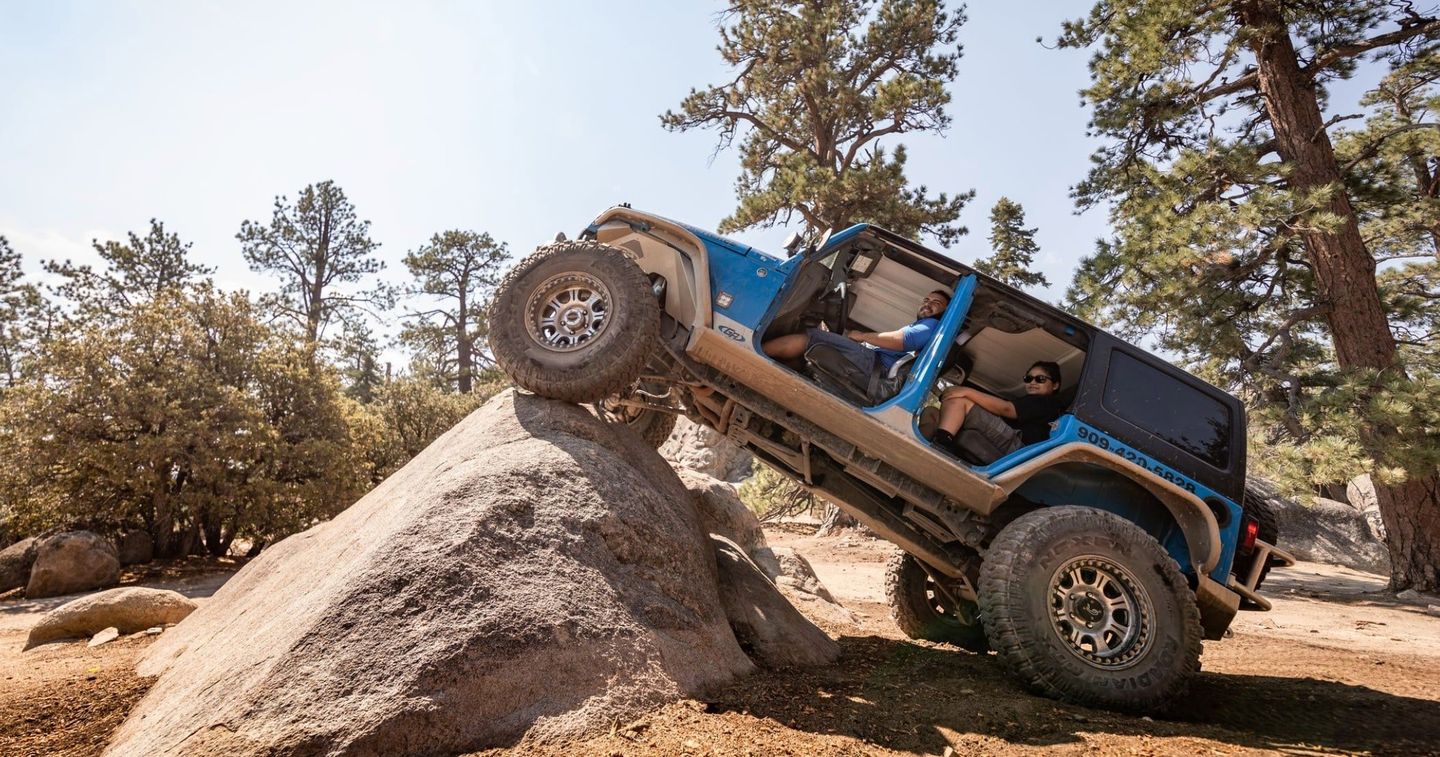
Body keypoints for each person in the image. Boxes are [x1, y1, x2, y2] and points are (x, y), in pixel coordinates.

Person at [762, 290, 951, 387]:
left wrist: (861, 336)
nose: (928, 304)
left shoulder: (932, 325)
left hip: (874, 365)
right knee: (814, 348)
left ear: (944, 311)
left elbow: (900, 341)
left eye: (936, 303)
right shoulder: (923, 325)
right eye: (926, 300)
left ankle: (757, 357)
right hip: (874, 363)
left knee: (811, 338)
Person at [932, 361, 1065, 461]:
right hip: (1013, 444)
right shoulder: (1031, 401)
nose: (1033, 382)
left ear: (1055, 385)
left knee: (959, 401)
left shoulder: (1046, 402)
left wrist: (967, 391)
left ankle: (940, 445)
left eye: (1040, 379)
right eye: (1028, 378)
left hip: (1019, 449)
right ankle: (931, 442)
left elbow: (1006, 409)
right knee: (931, 413)